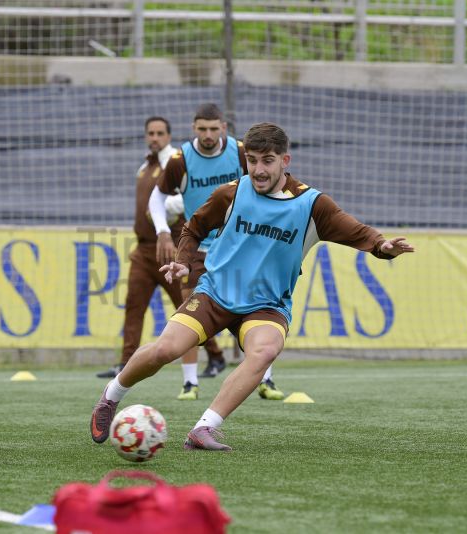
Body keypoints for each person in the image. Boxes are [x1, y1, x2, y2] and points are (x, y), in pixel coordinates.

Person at [91, 122, 415, 449]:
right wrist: (184, 260)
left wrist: (381, 246)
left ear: (285, 161)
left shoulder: (312, 205)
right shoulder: (231, 192)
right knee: (165, 349)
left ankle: (204, 428)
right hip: (216, 293)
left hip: (267, 305)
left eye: (268, 161)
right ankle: (111, 396)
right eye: (253, 160)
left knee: (265, 351)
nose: (258, 169)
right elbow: (193, 227)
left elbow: (357, 231)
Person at [148, 103, 282, 401]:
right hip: (196, 247)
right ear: (194, 128)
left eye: (213, 128)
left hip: (238, 247)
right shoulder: (180, 159)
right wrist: (161, 231)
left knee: (253, 311)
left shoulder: (240, 152)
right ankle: (190, 383)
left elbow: (268, 187)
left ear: (223, 127)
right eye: (202, 128)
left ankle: (266, 380)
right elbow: (156, 198)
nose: (208, 134)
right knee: (189, 311)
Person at [95, 117, 186, 379]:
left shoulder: (175, 162)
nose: (155, 137)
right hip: (143, 250)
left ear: (169, 136)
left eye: (159, 133)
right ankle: (126, 362)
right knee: (134, 304)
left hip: (169, 247)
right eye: (151, 133)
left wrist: (162, 212)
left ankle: (214, 355)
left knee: (187, 304)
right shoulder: (145, 165)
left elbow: (184, 198)